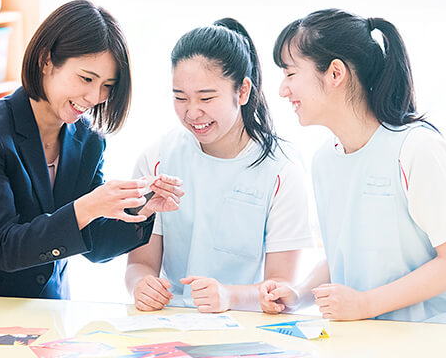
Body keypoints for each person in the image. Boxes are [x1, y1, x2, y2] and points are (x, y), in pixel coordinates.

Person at [0, 0, 183, 327]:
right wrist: (87, 206)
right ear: (46, 60)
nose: (95, 97)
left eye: (107, 86)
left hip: (41, 317)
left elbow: (92, 245)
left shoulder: (89, 141)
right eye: (86, 78)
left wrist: (141, 209)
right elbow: (5, 247)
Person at [259, 8, 446, 325]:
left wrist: (365, 305)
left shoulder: (418, 149)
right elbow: (344, 253)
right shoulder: (325, 160)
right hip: (369, 337)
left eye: (290, 74)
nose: (283, 90)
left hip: (441, 336)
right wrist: (298, 294)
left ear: (335, 73)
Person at [125, 18, 313, 313]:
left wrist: (229, 296)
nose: (192, 112)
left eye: (207, 97)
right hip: (169, 323)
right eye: (180, 98)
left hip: (245, 326)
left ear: (242, 91)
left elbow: (281, 286)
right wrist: (142, 285)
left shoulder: (282, 169)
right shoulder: (157, 157)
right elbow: (140, 263)